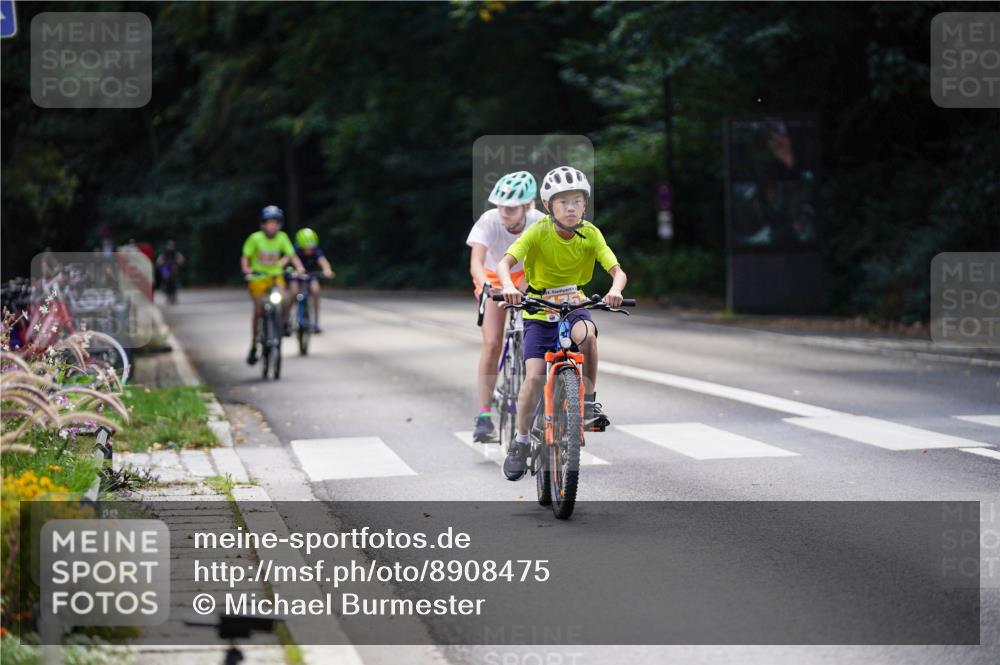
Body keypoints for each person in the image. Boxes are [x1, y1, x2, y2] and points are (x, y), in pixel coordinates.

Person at [496, 166, 627, 481]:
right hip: (539, 311)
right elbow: (505, 263)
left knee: (589, 338)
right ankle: (522, 441)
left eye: (577, 201)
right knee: (534, 377)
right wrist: (510, 287)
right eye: (563, 202)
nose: (571, 208)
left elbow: (617, 271)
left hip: (574, 306)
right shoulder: (538, 232)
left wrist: (615, 291)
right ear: (548, 207)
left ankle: (589, 402)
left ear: (585, 205)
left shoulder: (591, 234)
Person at [466, 171, 545, 442]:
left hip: (525, 277)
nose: (503, 212)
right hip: (492, 278)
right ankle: (484, 415)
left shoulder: (539, 223)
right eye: (500, 205)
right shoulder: (488, 221)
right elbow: (476, 262)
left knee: (540, 333)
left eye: (510, 208)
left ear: (526, 206)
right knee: (492, 343)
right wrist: (486, 286)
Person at [240, 205, 304, 365]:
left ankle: (282, 323)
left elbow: (291, 255)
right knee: (258, 310)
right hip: (258, 278)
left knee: (286, 297)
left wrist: (300, 267)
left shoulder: (282, 237)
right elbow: (245, 257)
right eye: (269, 222)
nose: (272, 226)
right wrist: (247, 270)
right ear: (263, 224)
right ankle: (254, 344)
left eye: (275, 222)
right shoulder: (255, 238)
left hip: (275, 277)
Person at [289, 227, 335, 333]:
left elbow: (323, 261)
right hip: (295, 277)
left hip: (310, 275)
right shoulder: (294, 250)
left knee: (316, 290)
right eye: (306, 248)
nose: (309, 250)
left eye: (311, 247)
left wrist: (327, 270)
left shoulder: (316, 250)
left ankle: (316, 323)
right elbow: (288, 259)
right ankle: (286, 319)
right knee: (293, 292)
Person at [155, 240, 186, 304]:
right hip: (166, 268)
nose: (170, 247)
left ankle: (174, 293)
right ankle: (165, 287)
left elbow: (181, 259)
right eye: (169, 246)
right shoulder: (164, 253)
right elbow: (159, 260)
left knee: (174, 277)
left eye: (171, 246)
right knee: (165, 276)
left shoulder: (175, 253)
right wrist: (161, 264)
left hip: (173, 268)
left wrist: (178, 262)